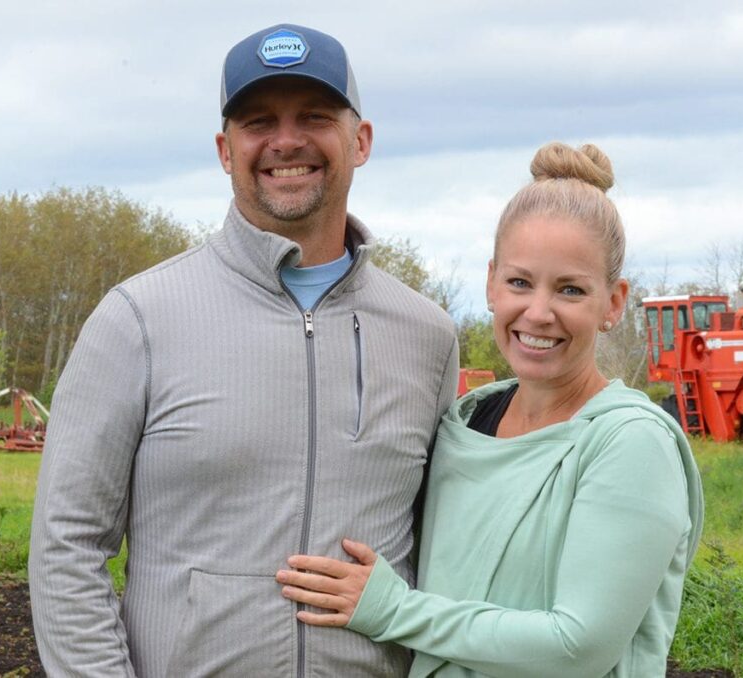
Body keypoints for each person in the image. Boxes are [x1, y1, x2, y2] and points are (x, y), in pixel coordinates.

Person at [29, 23, 459, 677]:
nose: (286, 141)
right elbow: (67, 544)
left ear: (361, 141)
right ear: (225, 149)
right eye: (258, 121)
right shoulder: (137, 319)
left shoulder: (426, 334)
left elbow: (444, 550)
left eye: (314, 116)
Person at [277, 142, 704, 677]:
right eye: (520, 282)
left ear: (613, 303)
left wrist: (392, 610)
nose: (539, 312)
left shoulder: (629, 443)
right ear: (490, 283)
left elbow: (579, 646)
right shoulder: (467, 421)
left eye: (570, 289)